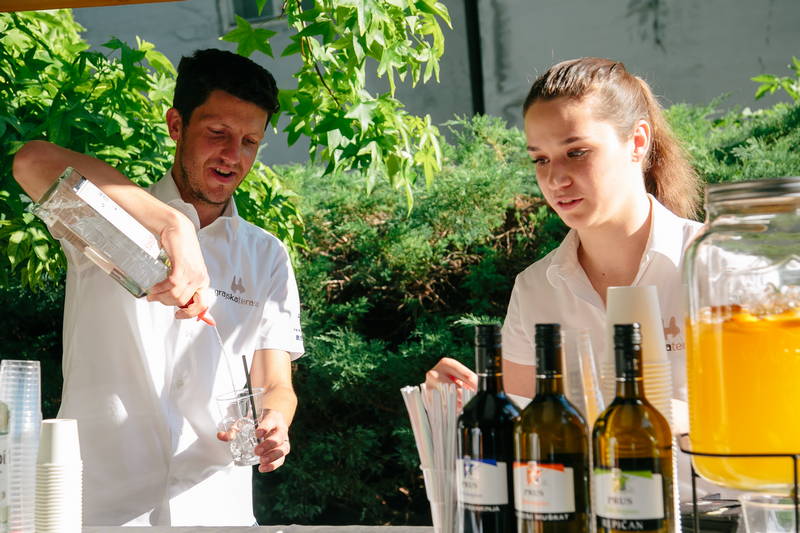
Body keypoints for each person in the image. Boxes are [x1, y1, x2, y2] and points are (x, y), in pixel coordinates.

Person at [12, 49, 303, 526]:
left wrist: (276, 421)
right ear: (176, 125)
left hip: (219, 511)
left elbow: (275, 384)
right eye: (218, 133)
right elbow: (31, 160)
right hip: (101, 510)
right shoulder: (110, 216)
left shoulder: (266, 254)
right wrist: (173, 226)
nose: (233, 155)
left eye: (249, 141)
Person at [427, 57, 708, 494]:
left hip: (717, 515)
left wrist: (674, 417)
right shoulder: (535, 289)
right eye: (540, 159)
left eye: (577, 152)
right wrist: (471, 403)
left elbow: (773, 413)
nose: (555, 178)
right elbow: (527, 446)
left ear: (637, 141)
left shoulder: (715, 264)